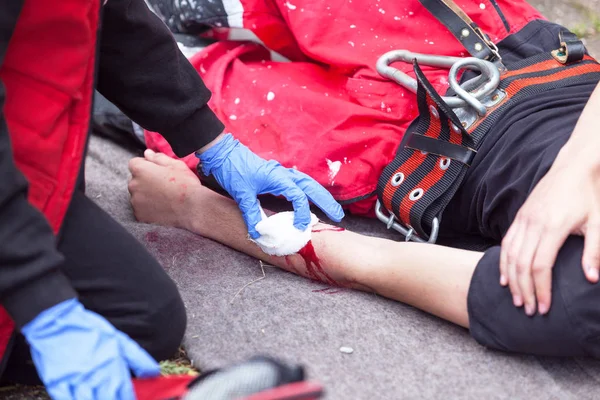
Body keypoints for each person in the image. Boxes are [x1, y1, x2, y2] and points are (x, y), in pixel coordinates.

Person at [126, 2, 600, 356]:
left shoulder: (582, 304)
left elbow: (371, 261)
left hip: (413, 149)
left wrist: (196, 210)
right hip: (510, 47)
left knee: (170, 95)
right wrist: (576, 170)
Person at [0, 0, 342, 399]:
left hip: (29, 163)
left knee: (144, 319)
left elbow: (101, 16)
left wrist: (210, 140)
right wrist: (43, 305)